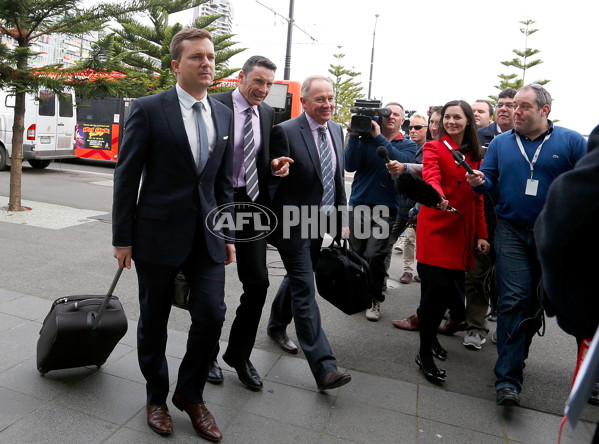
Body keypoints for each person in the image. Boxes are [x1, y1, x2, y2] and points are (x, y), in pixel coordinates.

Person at [112, 29, 234, 441]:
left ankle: (190, 394)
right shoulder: (149, 109)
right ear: (175, 65)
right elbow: (126, 177)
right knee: (154, 321)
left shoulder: (223, 112)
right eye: (197, 57)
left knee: (213, 315)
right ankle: (157, 397)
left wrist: (228, 233)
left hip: (207, 237)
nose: (207, 63)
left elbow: (222, 183)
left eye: (211, 57)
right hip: (156, 236)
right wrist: (122, 238)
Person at [466, 84, 587, 406]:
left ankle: (518, 355)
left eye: (523, 107)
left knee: (538, 304)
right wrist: (480, 182)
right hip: (511, 230)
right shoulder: (502, 144)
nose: (514, 112)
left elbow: (587, 186)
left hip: (554, 235)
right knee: (513, 300)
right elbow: (489, 182)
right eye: (513, 105)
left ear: (544, 111)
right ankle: (507, 379)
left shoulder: (572, 142)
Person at [208, 56, 295, 390]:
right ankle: (207, 354)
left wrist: (273, 165)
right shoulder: (213, 105)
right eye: (258, 81)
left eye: (269, 84)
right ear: (240, 77)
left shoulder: (268, 113)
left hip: (251, 203)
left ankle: (238, 355)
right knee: (211, 286)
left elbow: (258, 158)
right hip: (215, 202)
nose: (263, 89)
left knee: (258, 283)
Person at [266, 75, 351, 390]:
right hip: (291, 225)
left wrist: (341, 219)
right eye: (320, 99)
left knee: (297, 277)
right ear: (304, 102)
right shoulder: (285, 132)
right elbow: (269, 178)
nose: (327, 104)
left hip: (321, 223)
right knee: (304, 287)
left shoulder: (337, 130)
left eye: (331, 98)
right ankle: (324, 367)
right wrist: (275, 169)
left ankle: (276, 326)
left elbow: (337, 177)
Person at [414, 100, 489, 384]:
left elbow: (478, 199)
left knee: (445, 293)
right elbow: (430, 176)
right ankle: (424, 352)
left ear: (468, 121)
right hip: (435, 224)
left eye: (457, 117)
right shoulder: (433, 147)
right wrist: (437, 196)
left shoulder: (476, 155)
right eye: (447, 117)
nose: (451, 122)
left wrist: (481, 234)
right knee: (436, 291)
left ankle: (431, 339)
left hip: (461, 230)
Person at [345, 102, 417, 321]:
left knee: (375, 255)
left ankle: (375, 298)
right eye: (388, 113)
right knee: (357, 254)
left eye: (396, 114)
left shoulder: (408, 145)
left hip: (387, 208)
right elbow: (349, 165)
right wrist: (355, 136)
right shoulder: (364, 139)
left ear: (402, 120)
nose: (391, 117)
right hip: (359, 204)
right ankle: (359, 295)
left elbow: (402, 161)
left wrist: (378, 137)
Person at [462, 88, 517, 350]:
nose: (506, 108)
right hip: (483, 217)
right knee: (476, 275)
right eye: (501, 104)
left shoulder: (530, 140)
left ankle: (507, 327)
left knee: (510, 281)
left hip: (515, 222)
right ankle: (475, 327)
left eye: (511, 104)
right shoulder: (478, 137)